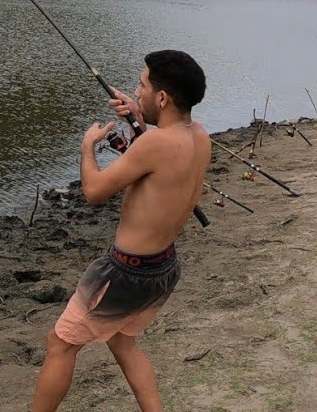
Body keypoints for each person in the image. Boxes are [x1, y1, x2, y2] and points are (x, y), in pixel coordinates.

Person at [31, 50, 209, 412]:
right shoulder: (199, 136)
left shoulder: (155, 144)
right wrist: (140, 120)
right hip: (163, 267)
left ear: (162, 97)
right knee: (123, 343)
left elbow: (95, 192)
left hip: (125, 273)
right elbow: (162, 162)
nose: (135, 91)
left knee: (60, 343)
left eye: (141, 85)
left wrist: (87, 148)